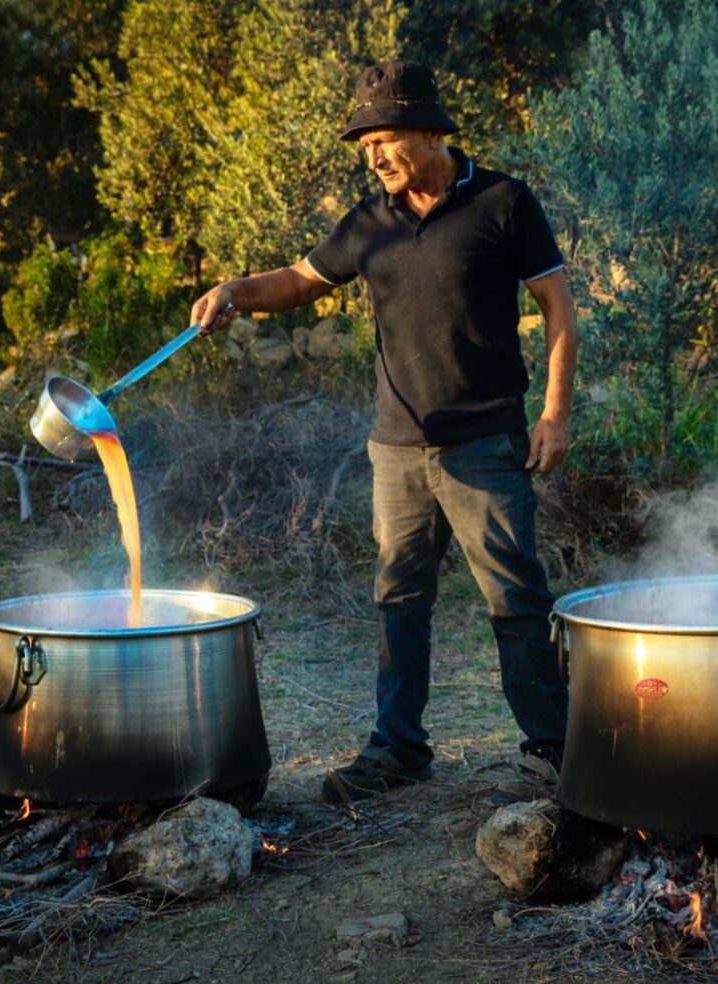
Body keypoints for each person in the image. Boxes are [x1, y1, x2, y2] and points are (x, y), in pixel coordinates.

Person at [190, 60, 577, 803]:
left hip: (487, 442)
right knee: (399, 599)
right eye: (364, 143)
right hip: (396, 447)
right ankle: (397, 748)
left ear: (431, 131)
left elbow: (557, 308)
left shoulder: (503, 201)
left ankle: (554, 748)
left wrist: (554, 413)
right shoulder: (370, 220)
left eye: (384, 137)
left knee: (515, 600)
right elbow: (301, 280)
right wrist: (236, 290)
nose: (372, 155)